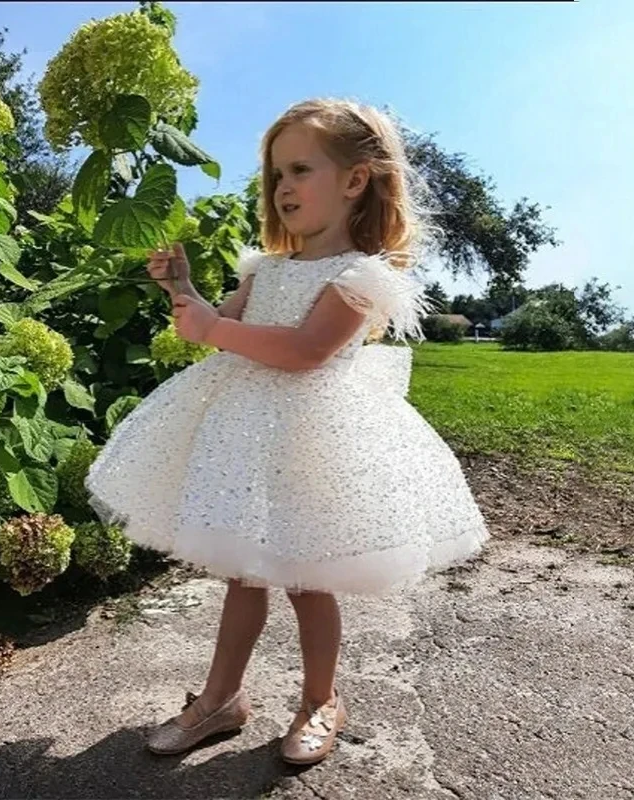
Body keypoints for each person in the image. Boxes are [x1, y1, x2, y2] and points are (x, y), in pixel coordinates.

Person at [85, 98, 490, 765]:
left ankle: (320, 699)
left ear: (356, 179)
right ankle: (219, 699)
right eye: (276, 174)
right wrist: (184, 291)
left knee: (308, 576)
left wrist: (215, 328)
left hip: (314, 439)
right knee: (243, 574)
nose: (282, 187)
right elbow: (226, 330)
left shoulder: (360, 276)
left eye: (300, 169)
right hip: (247, 434)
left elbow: (306, 350)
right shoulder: (264, 268)